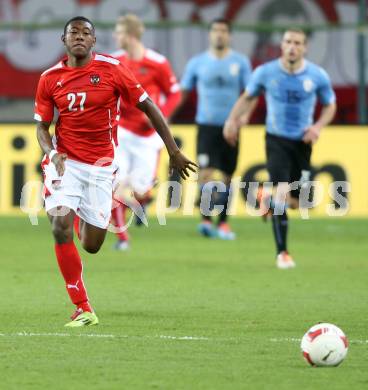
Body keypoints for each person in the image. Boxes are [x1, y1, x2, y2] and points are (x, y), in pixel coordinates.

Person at [34, 16, 196, 327]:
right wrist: (51, 152)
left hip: (100, 168)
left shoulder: (112, 69)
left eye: (86, 33)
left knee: (91, 245)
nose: (79, 37)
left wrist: (173, 151)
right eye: (73, 33)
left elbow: (149, 106)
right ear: (63, 39)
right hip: (64, 163)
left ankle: (80, 208)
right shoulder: (49, 78)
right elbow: (41, 126)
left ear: (94, 41)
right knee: (59, 227)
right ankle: (83, 307)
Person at [224, 29, 336, 269]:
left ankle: (266, 197)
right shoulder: (266, 72)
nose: (292, 47)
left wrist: (317, 126)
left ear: (305, 47)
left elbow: (330, 105)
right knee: (283, 194)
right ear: (282, 45)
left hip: (303, 143)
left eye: (297, 43)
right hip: (276, 140)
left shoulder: (317, 75)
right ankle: (282, 253)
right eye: (288, 42)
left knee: (297, 202)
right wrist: (231, 121)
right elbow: (247, 97)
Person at [111, 14, 181, 250]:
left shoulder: (157, 63)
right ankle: (123, 240)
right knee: (116, 183)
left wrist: (159, 115)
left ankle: (141, 202)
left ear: (130, 36)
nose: (115, 36)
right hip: (122, 131)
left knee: (142, 190)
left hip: (148, 139)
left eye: (119, 32)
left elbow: (175, 92)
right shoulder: (115, 62)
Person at [176, 18, 252, 240]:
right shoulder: (197, 63)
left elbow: (251, 93)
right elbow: (183, 93)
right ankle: (207, 220)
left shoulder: (240, 62)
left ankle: (224, 224)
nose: (220, 34)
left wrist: (245, 115)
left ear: (229, 35)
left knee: (228, 175)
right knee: (206, 174)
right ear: (210, 35)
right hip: (206, 126)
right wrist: (167, 114)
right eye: (216, 30)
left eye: (224, 30)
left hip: (231, 126)